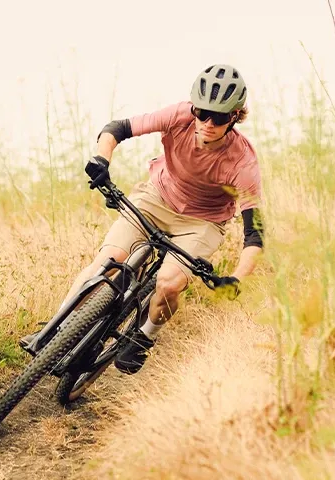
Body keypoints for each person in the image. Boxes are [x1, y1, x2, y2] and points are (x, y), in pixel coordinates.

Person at [21, 63, 266, 375]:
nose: (207, 122)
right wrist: (101, 160)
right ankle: (53, 332)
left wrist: (237, 278)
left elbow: (254, 233)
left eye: (218, 117)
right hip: (157, 197)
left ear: (235, 117)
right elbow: (117, 129)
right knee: (107, 261)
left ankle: (144, 336)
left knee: (169, 283)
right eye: (201, 112)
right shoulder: (178, 117)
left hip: (202, 222)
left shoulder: (243, 161)